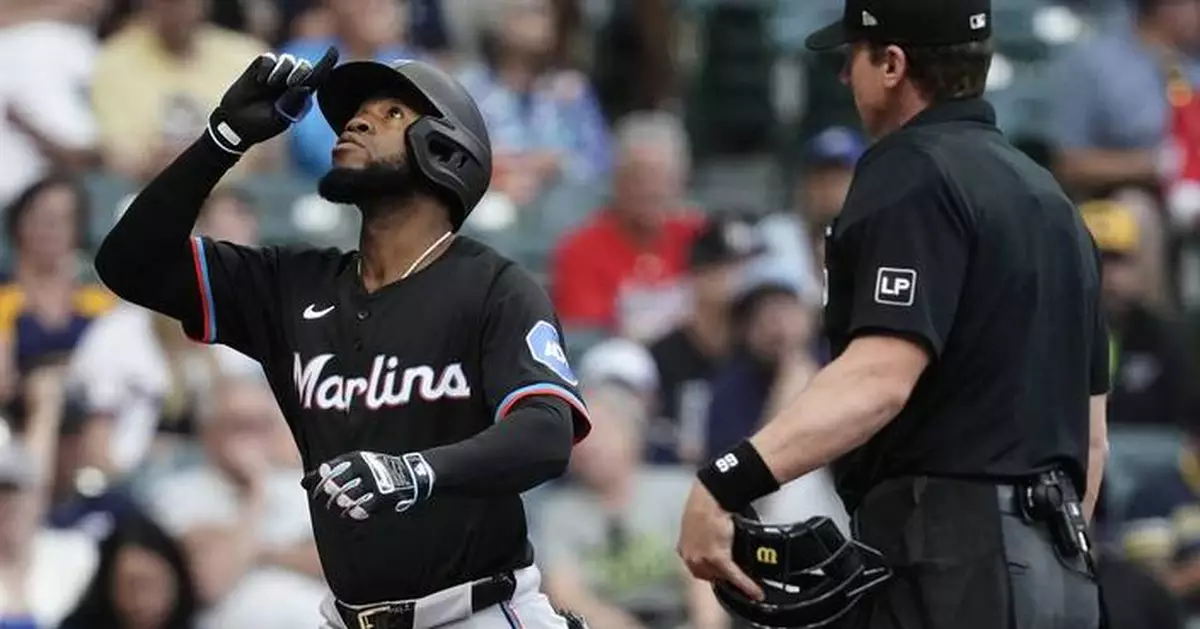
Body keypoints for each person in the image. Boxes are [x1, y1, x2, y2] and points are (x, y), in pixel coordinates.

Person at [92, 47, 591, 629]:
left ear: (447, 151)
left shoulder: (496, 287)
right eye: (356, 112)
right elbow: (128, 264)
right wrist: (223, 137)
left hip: (478, 610)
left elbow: (547, 433)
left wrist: (415, 471)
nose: (355, 121)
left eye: (391, 114)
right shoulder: (292, 283)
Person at [674, 0, 1111, 627]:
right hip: (1062, 570)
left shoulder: (912, 171)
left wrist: (725, 481)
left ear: (893, 65)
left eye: (853, 56)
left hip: (956, 559)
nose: (842, 76)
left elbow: (879, 377)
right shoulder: (1055, 202)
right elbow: (1091, 436)